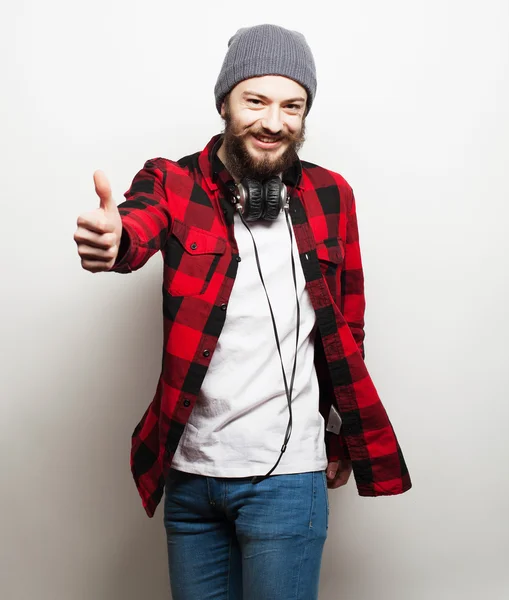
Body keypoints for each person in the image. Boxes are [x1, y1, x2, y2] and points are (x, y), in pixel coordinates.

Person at [74, 23, 411, 600]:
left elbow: (347, 331)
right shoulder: (171, 181)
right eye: (255, 100)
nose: (273, 121)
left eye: (292, 105)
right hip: (190, 476)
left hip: (288, 481)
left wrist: (338, 437)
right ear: (224, 103)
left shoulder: (334, 196)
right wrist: (115, 240)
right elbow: (137, 227)